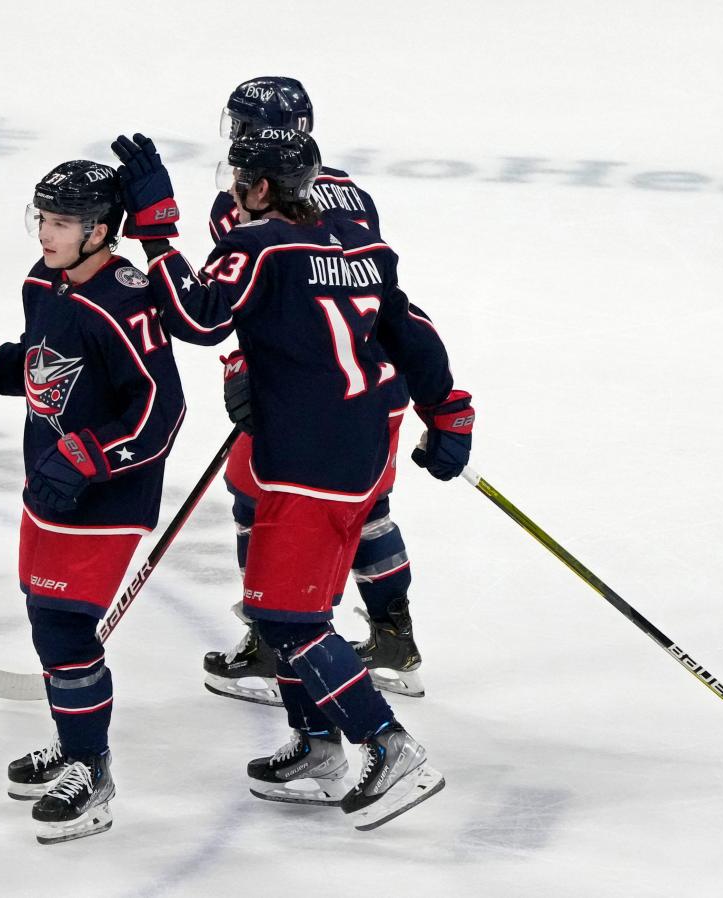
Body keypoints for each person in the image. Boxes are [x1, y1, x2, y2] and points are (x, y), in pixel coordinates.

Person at [109, 129, 474, 829]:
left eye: (240, 174)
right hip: (362, 447)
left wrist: (157, 233)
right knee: (292, 607)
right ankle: (315, 747)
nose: (234, 184)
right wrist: (448, 412)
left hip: (311, 463)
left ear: (264, 186)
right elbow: (409, 330)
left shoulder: (258, 243)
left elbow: (198, 318)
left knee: (285, 617)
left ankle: (388, 746)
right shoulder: (355, 242)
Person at [0, 160, 186, 844]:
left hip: (109, 497)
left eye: (61, 222)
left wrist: (92, 455)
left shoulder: (127, 300)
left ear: (100, 230)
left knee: (64, 625)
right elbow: (40, 368)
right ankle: (73, 740)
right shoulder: (43, 283)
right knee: (43, 616)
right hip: (50, 483)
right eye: (42, 218)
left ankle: (92, 769)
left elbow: (162, 409)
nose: (46, 234)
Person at [203, 76, 425, 706]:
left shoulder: (242, 201)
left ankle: (285, 635)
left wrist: (247, 363)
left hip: (321, 385)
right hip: (369, 369)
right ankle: (389, 639)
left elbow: (238, 302)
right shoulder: (348, 189)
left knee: (271, 496)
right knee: (360, 506)